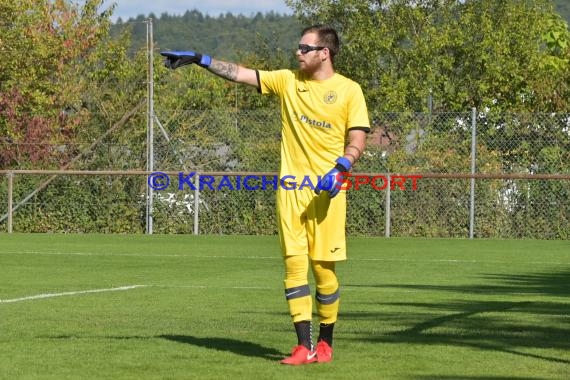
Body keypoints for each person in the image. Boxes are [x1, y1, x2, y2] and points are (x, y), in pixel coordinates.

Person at [161, 24, 370, 365]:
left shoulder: (349, 91)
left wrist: (342, 168)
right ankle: (304, 346)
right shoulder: (288, 81)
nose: (298, 53)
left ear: (324, 53)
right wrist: (202, 59)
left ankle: (326, 342)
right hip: (290, 192)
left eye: (305, 48)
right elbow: (242, 74)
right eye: (298, 47)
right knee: (293, 267)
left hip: (328, 193)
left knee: (323, 271)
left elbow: (357, 138)